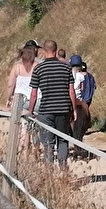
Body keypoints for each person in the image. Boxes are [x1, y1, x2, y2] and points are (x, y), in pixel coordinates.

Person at [29, 40, 78, 169]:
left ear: (44, 52)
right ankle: (63, 170)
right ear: (56, 51)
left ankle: (49, 173)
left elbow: (34, 94)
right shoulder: (66, 67)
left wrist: (30, 111)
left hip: (45, 111)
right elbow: (71, 91)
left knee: (48, 143)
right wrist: (73, 110)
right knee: (62, 140)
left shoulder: (38, 68)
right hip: (63, 109)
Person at [6, 40, 39, 111]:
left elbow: (10, 85)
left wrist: (9, 99)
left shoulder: (17, 67)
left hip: (19, 101)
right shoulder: (38, 66)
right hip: (36, 101)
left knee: (16, 121)